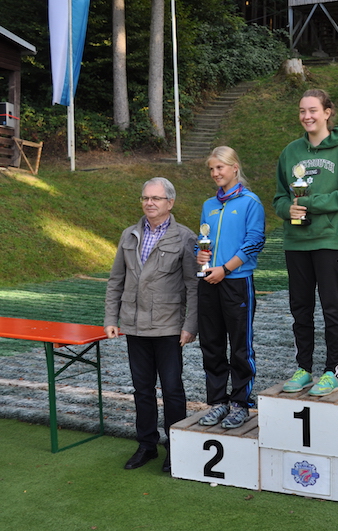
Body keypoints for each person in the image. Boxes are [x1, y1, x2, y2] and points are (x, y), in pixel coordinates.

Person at [104, 177, 198, 473]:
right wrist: (111, 319)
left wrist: (190, 325)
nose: (149, 203)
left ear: (170, 202)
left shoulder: (185, 237)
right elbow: (116, 280)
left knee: (172, 390)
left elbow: (193, 285)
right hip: (134, 326)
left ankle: (175, 448)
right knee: (142, 390)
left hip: (169, 327)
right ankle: (146, 445)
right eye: (145, 198)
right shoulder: (129, 235)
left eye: (156, 198)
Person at [273, 89, 338, 397]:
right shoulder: (290, 152)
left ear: (327, 112)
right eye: (302, 111)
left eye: (312, 110)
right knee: (300, 309)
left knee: (331, 308)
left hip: (330, 240)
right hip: (296, 242)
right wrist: (288, 209)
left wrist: (310, 203)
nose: (307, 116)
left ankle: (332, 372)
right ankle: (303, 368)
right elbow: (279, 197)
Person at [196, 146, 265, 429]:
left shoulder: (250, 202)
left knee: (239, 346)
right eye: (212, 169)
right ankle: (218, 403)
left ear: (235, 167)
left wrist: (225, 269)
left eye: (220, 167)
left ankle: (240, 404)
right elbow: (203, 241)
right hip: (208, 281)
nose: (215, 173)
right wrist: (200, 256)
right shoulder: (208, 206)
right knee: (211, 344)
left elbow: (254, 242)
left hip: (236, 282)